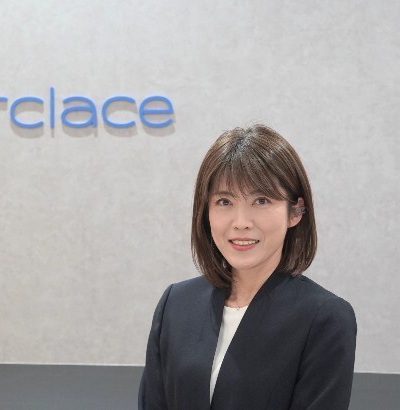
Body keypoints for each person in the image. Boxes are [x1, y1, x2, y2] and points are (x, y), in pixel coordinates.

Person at [138, 125, 357, 409]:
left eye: (261, 200)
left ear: (295, 211)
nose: (241, 222)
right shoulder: (176, 304)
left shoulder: (324, 318)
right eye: (224, 201)